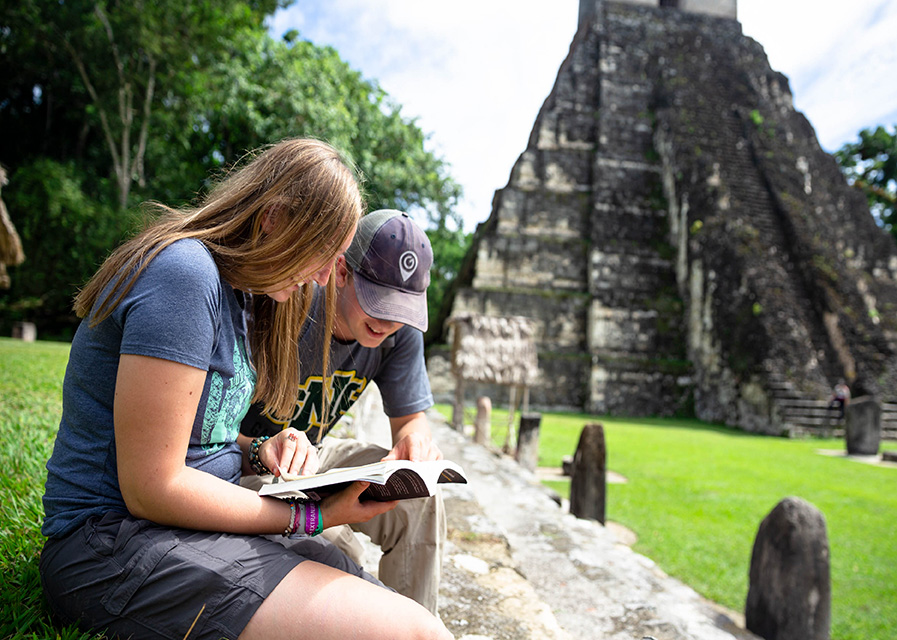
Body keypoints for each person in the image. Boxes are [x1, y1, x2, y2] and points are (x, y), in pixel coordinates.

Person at [38, 138, 452, 640]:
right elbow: (153, 486)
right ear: (273, 219)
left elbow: (194, 438)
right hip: (111, 544)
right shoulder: (185, 275)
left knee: (399, 613)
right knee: (413, 633)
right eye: (324, 256)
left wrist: (258, 448)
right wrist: (312, 516)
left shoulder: (242, 299)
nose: (324, 278)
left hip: (194, 525)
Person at [240, 209, 445, 614]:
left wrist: (414, 445)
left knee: (420, 498)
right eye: (379, 302)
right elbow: (205, 432)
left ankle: (416, 626)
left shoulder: (397, 335)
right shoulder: (288, 300)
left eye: (401, 310)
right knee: (341, 551)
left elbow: (410, 421)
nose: (387, 322)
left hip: (313, 463)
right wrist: (261, 448)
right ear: (341, 271)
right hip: (247, 463)